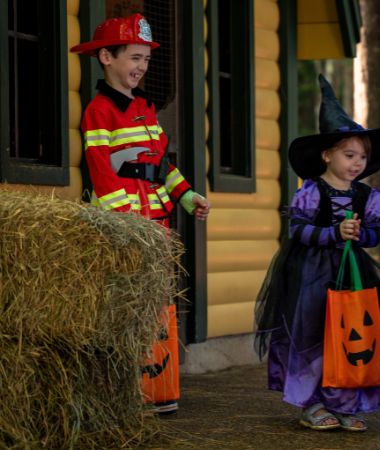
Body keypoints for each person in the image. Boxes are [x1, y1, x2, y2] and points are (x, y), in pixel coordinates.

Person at [71, 13, 211, 414]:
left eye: (146, 60)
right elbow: (100, 168)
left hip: (157, 224)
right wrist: (129, 222)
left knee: (156, 304)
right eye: (134, 57)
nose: (140, 67)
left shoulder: (146, 108)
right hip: (127, 228)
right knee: (125, 308)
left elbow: (161, 165)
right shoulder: (100, 111)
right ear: (105, 57)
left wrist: (187, 196)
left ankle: (155, 386)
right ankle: (123, 393)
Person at [255, 75, 380, 432]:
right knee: (313, 334)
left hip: (351, 273)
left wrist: (359, 234)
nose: (357, 163)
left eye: (362, 157)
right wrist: (332, 232)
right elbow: (298, 231)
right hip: (311, 273)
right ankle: (313, 403)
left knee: (350, 333)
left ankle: (346, 400)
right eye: (349, 155)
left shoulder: (369, 197)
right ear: (327, 154)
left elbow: (371, 236)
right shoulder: (312, 191)